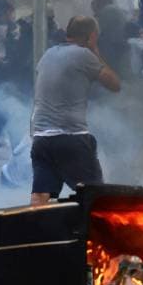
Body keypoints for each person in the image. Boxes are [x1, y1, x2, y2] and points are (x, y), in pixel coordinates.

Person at [29, 16, 122, 205]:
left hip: (41, 138)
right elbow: (115, 84)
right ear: (92, 36)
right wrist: (96, 52)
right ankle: (97, 234)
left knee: (40, 195)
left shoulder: (49, 54)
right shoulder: (84, 55)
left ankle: (35, 232)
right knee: (96, 196)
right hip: (71, 138)